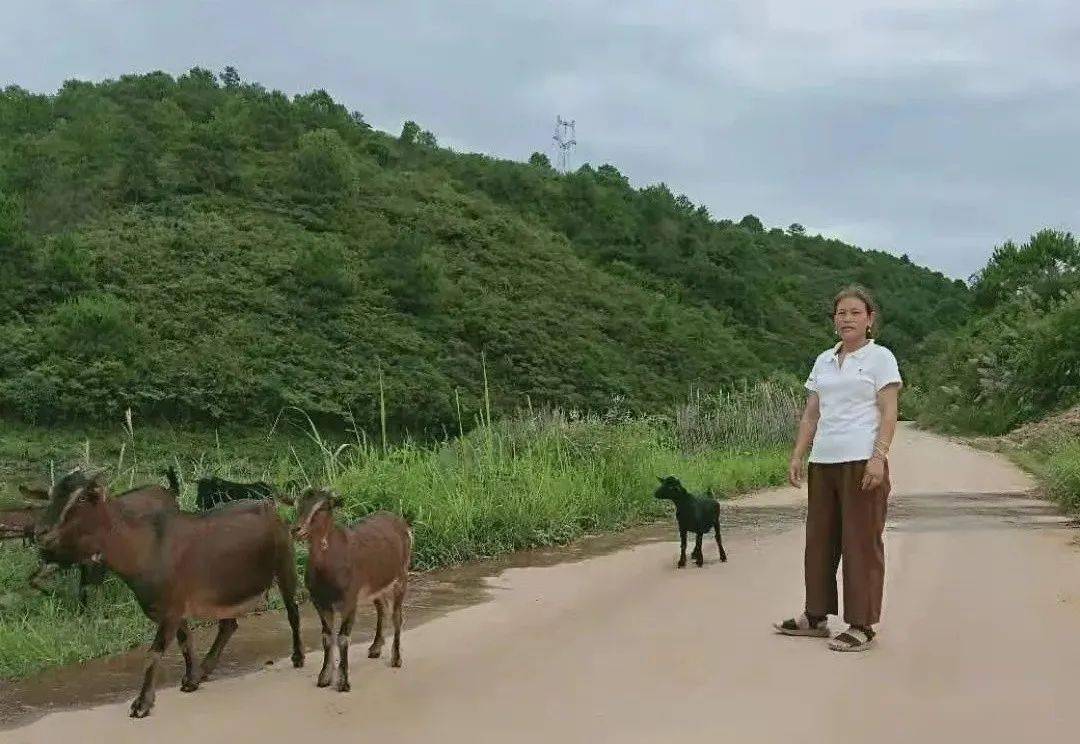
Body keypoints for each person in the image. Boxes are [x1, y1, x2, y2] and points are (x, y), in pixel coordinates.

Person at [773, 285, 902, 652]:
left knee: (860, 541)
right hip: (824, 461)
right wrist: (798, 454)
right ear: (834, 321)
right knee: (820, 541)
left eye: (855, 313)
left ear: (870, 319)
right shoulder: (823, 361)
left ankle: (862, 624)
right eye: (841, 313)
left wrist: (879, 456)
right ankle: (815, 616)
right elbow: (811, 413)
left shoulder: (880, 358)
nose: (847, 319)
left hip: (862, 459)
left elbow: (890, 411)